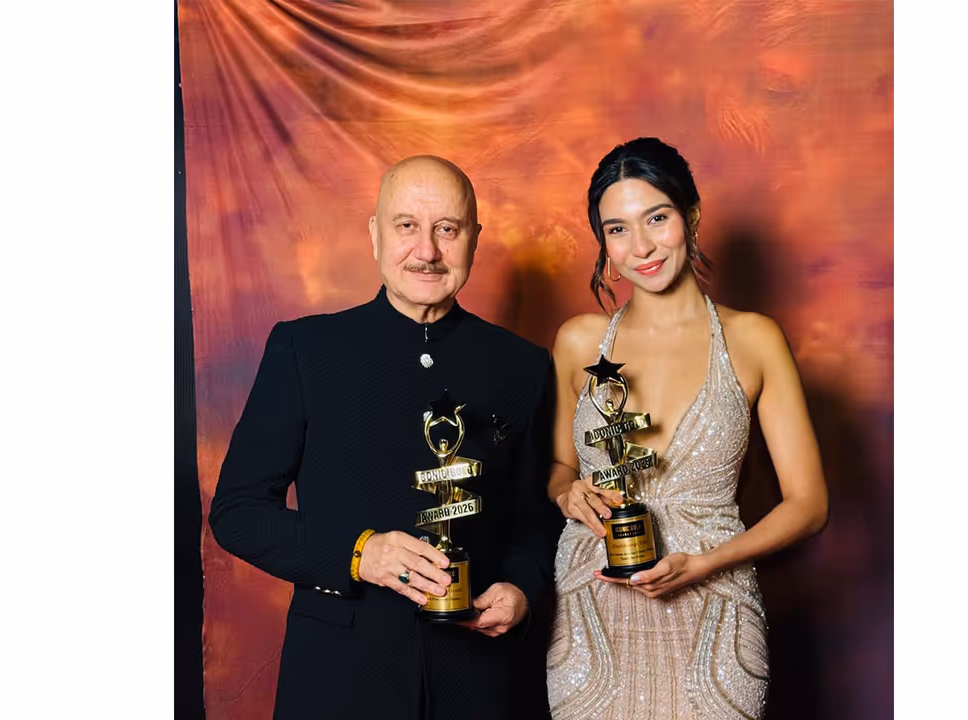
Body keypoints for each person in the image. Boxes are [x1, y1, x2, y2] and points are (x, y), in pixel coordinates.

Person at [210, 155, 557, 720]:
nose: (427, 250)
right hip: (339, 678)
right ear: (374, 234)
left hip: (480, 679)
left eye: (447, 229)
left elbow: (533, 519)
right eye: (406, 226)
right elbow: (237, 513)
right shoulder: (306, 350)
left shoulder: (522, 365)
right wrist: (359, 553)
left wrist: (520, 588)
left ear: (474, 238)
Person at [544, 138, 829, 719]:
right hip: (594, 611)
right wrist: (566, 492)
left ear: (691, 215)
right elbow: (558, 469)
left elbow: (808, 504)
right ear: (602, 240)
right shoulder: (577, 342)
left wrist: (707, 562)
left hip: (715, 611)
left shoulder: (754, 340)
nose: (641, 247)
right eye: (617, 229)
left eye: (657, 218)